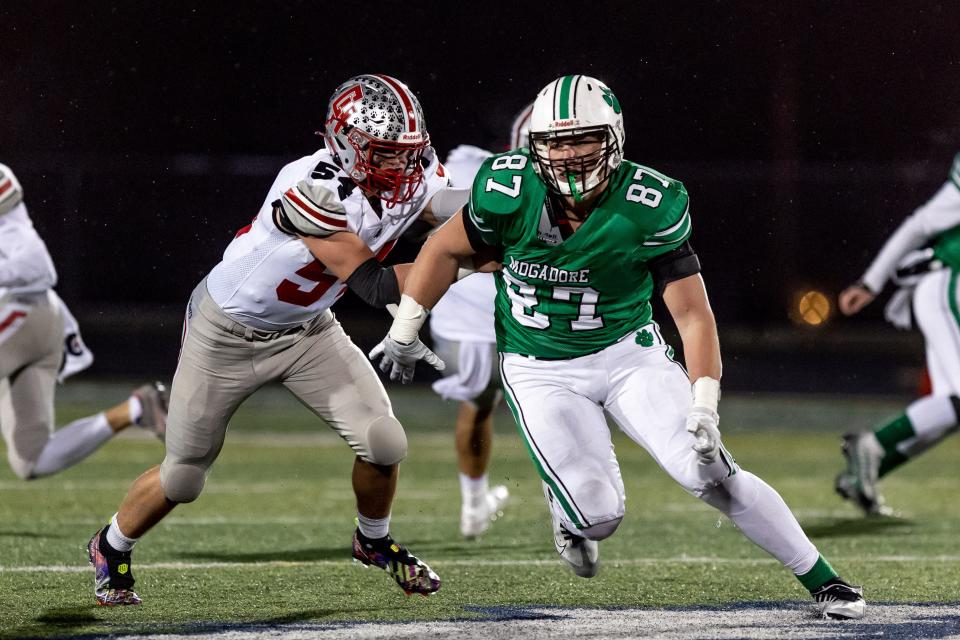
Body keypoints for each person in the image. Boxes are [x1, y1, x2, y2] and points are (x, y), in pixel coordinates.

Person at [370, 75, 866, 619]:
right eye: (556, 142)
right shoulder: (506, 189)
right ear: (534, 144)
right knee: (599, 517)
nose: (569, 155)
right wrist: (407, 325)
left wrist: (704, 401)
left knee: (707, 472)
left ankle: (824, 580)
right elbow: (444, 247)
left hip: (631, 355)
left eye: (583, 139)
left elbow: (692, 313)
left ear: (614, 137)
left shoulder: (650, 203)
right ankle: (570, 514)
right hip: (541, 369)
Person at [85, 74, 451, 606]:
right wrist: (460, 263)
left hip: (308, 330)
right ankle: (110, 545)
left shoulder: (410, 176)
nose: (403, 168)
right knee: (185, 476)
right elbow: (374, 285)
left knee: (384, 442)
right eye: (387, 155)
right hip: (226, 333)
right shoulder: (308, 188)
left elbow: (459, 210)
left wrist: (506, 213)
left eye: (408, 154)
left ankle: (372, 541)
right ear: (347, 146)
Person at [0, 163, 167, 481]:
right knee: (32, 460)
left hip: (24, 311)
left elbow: (37, 267)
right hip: (34, 320)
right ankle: (136, 408)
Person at [836, 152, 960, 516]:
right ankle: (873, 444)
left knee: (949, 409)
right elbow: (920, 225)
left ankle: (862, 476)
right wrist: (871, 281)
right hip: (947, 282)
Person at [428, 104, 532, 538]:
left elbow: (429, 214)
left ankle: (473, 505)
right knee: (557, 410)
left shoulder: (466, 163)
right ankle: (573, 509)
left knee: (477, 405)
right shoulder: (565, 191)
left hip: (457, 324)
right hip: (527, 318)